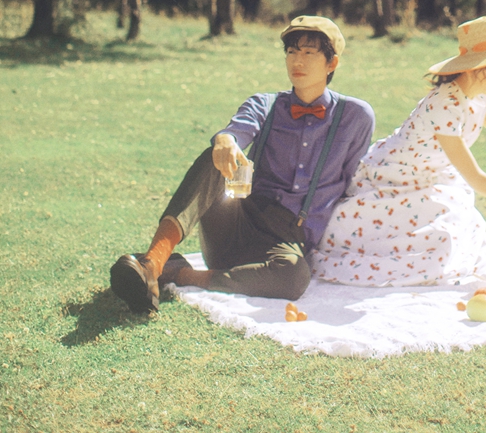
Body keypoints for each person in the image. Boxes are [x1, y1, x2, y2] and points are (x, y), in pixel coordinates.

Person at [110, 16, 375, 313]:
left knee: (294, 278)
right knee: (215, 157)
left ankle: (178, 274)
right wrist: (226, 139)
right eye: (291, 52)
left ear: (332, 63)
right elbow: (238, 129)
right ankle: (153, 262)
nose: (297, 61)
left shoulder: (356, 117)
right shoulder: (265, 103)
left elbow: (352, 182)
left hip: (287, 238)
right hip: (236, 222)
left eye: (309, 53)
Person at [311, 15, 486, 286]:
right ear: (473, 67)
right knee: (438, 251)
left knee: (463, 231)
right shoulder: (445, 104)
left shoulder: (484, 94)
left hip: (432, 178)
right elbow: (475, 178)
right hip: (393, 181)